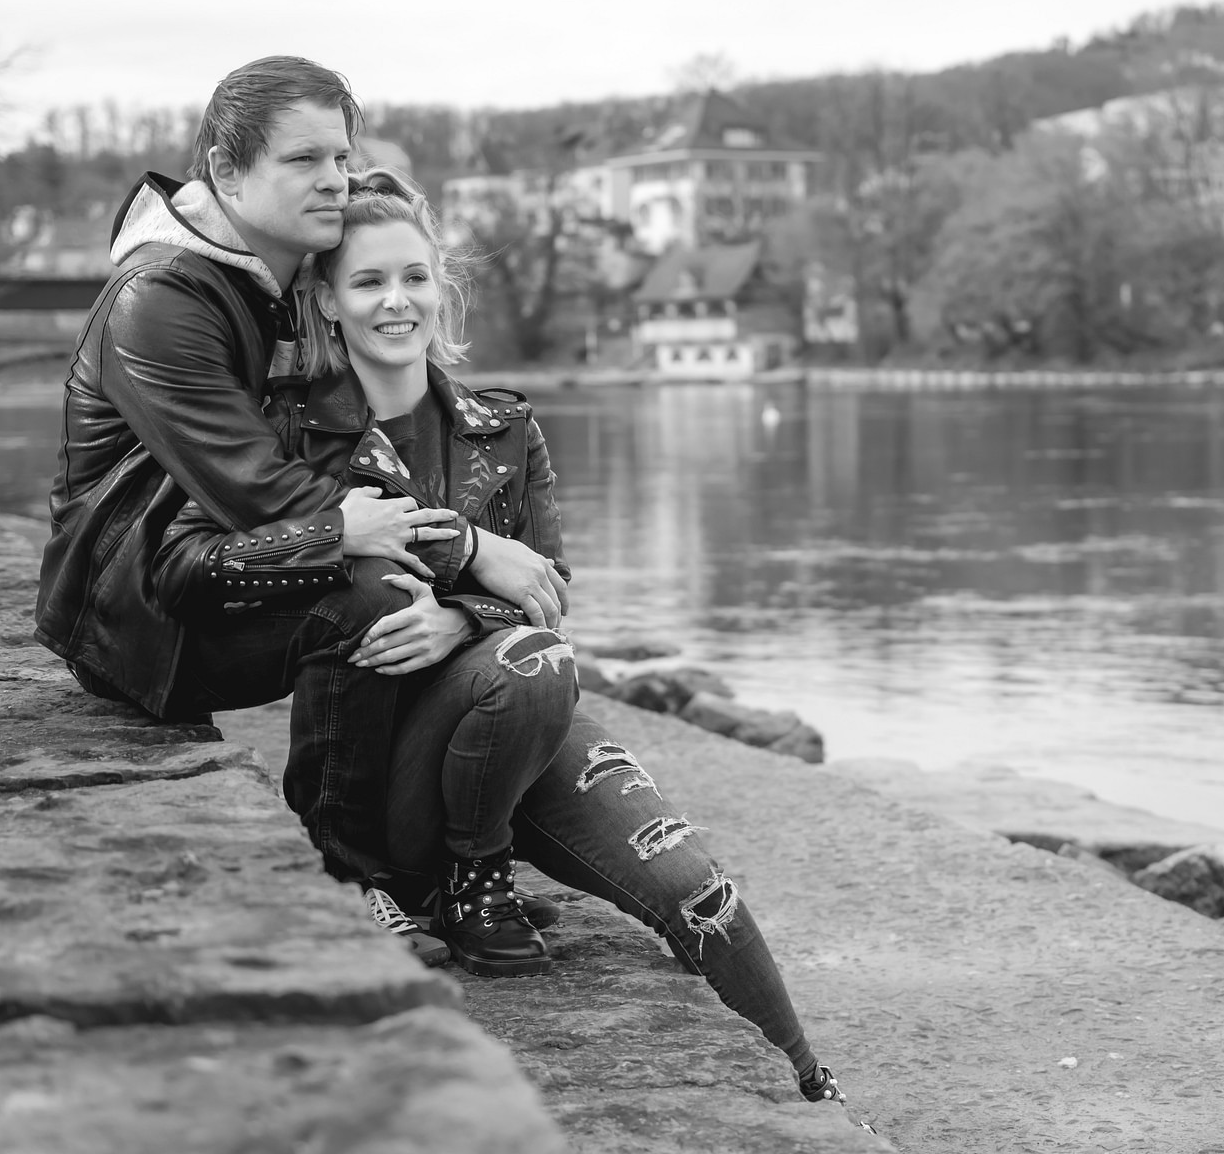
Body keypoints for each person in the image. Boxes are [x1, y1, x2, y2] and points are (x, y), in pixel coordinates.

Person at [154, 166, 853, 1108]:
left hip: (520, 718)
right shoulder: (281, 437)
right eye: (367, 281)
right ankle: (458, 873)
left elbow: (548, 593)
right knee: (526, 661)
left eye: (414, 277)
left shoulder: (506, 430)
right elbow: (186, 569)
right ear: (325, 299)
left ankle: (811, 1090)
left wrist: (459, 618)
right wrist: (403, 545)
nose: (396, 301)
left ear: (442, 287)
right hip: (380, 760)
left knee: (698, 888)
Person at [36, 56, 567, 969]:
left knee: (413, 603)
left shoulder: (263, 281)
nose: (335, 179)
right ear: (225, 170)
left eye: (342, 156)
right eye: (304, 159)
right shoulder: (162, 300)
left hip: (217, 565)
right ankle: (345, 877)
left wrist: (464, 580)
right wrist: (472, 549)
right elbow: (265, 491)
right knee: (370, 594)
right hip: (139, 609)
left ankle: (444, 872)